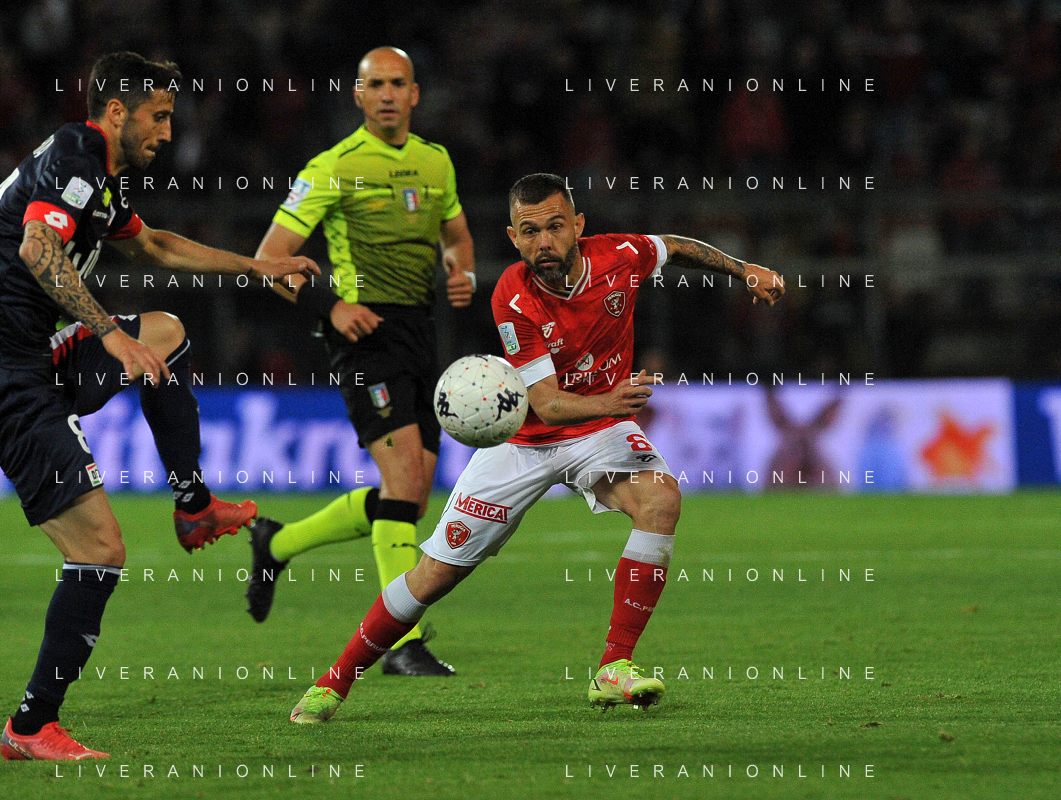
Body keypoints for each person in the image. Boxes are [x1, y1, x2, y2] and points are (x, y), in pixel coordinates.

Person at [0, 52, 317, 759]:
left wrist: (256, 267)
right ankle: (31, 726)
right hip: (3, 377)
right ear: (115, 111)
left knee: (167, 333)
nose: (168, 131)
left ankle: (193, 506)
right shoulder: (79, 154)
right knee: (100, 551)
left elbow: (156, 245)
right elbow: (39, 247)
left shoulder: (98, 179)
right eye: (158, 116)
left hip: (36, 355)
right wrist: (107, 332)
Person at [287, 172, 785, 723]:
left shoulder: (620, 256)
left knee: (660, 500)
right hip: (524, 441)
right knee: (433, 575)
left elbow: (677, 247)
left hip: (598, 430)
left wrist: (744, 268)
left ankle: (614, 667)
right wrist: (613, 399)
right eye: (530, 232)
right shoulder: (513, 294)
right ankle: (333, 683)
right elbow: (546, 405)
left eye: (555, 226)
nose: (544, 241)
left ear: (578, 225)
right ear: (513, 237)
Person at [246, 46, 476, 677]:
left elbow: (456, 236)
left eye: (397, 83)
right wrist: (332, 306)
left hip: (418, 334)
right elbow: (269, 260)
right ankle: (403, 643)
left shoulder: (435, 161)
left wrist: (461, 270)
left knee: (413, 498)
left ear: (415, 93)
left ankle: (277, 542)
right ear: (357, 94)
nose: (387, 94)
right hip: (363, 335)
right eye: (375, 84)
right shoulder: (333, 166)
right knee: (402, 483)